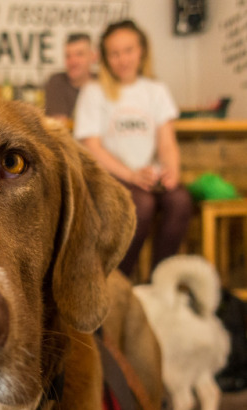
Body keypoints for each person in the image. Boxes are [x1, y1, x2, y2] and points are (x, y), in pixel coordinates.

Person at [73, 19, 192, 278]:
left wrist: (171, 171)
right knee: (142, 204)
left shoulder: (156, 90)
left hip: (149, 176)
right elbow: (92, 148)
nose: (122, 59)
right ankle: (120, 282)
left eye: (128, 50)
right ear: (105, 58)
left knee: (180, 200)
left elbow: (166, 141)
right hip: (114, 177)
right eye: (114, 53)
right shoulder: (92, 92)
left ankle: (159, 281)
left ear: (141, 52)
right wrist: (131, 175)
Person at [44, 33, 96, 127]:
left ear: (93, 56)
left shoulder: (102, 83)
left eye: (79, 54)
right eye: (68, 56)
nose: (73, 61)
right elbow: (59, 125)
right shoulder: (57, 82)